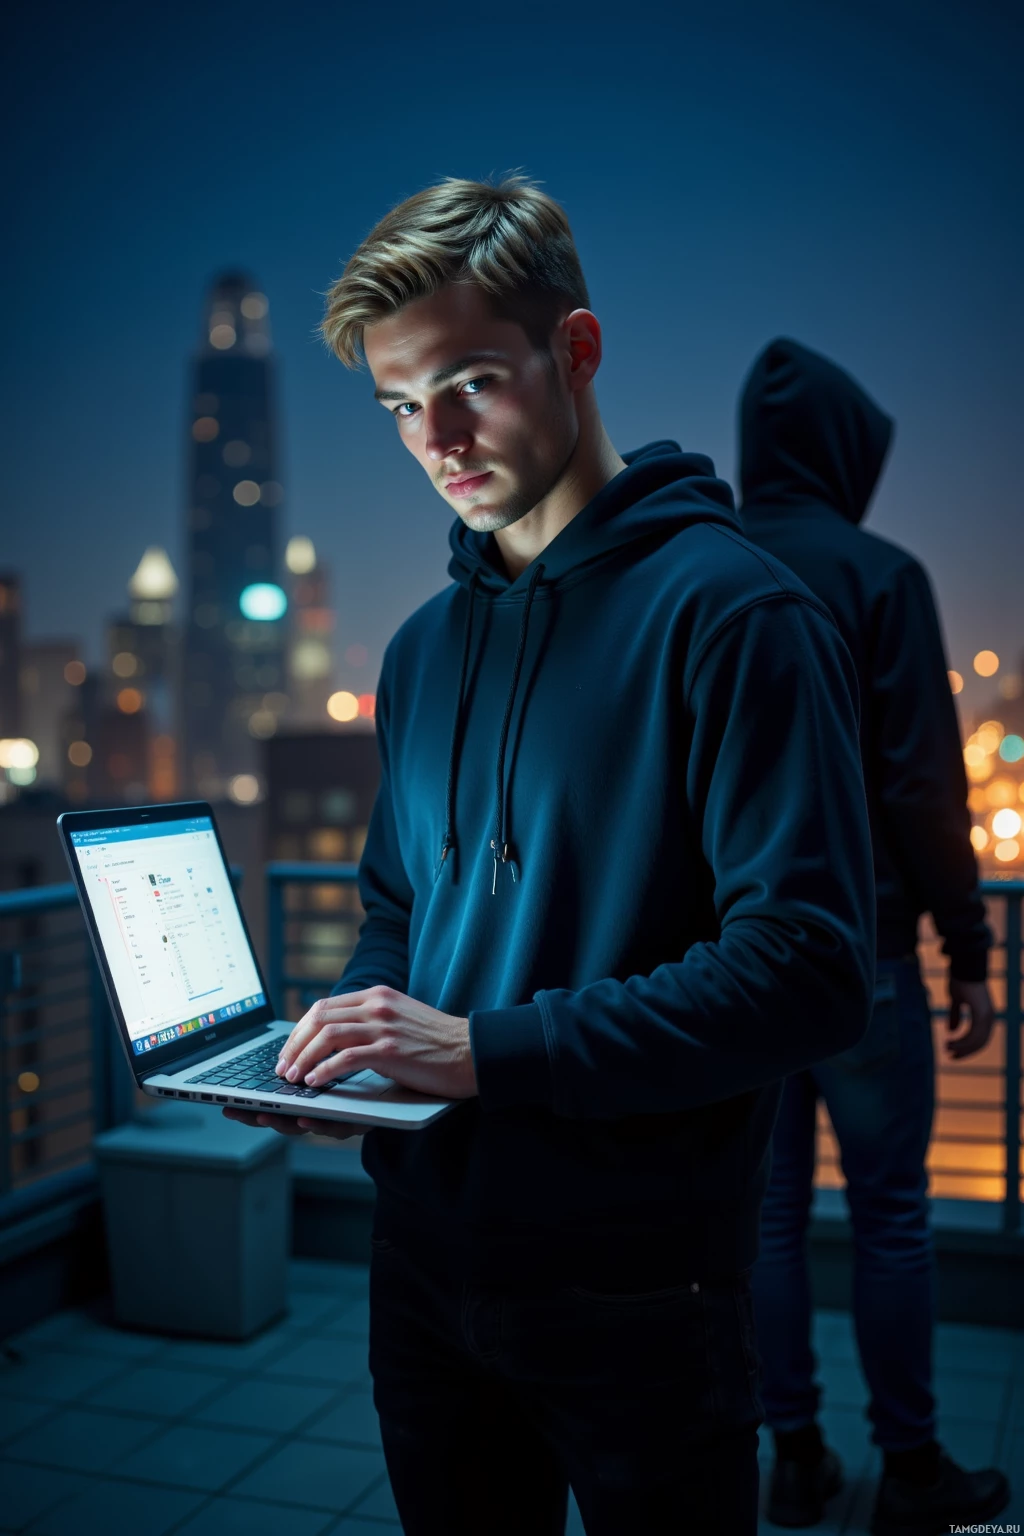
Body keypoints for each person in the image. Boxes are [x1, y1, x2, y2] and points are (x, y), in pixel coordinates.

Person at [227, 179, 875, 1536]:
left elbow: (809, 973)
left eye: (469, 381)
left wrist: (481, 1050)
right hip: (421, 1255)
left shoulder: (741, 614)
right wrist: (351, 1047)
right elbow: (398, 906)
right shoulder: (417, 651)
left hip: (639, 1281)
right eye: (402, 405)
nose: (436, 438)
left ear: (576, 351)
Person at [738, 337, 1010, 1534]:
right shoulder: (882, 575)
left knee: (765, 1220)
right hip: (864, 955)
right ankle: (909, 1474)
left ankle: (791, 1457)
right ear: (845, 451)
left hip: (734, 971)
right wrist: (970, 950)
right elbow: (921, 788)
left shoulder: (706, 565)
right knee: (892, 1218)